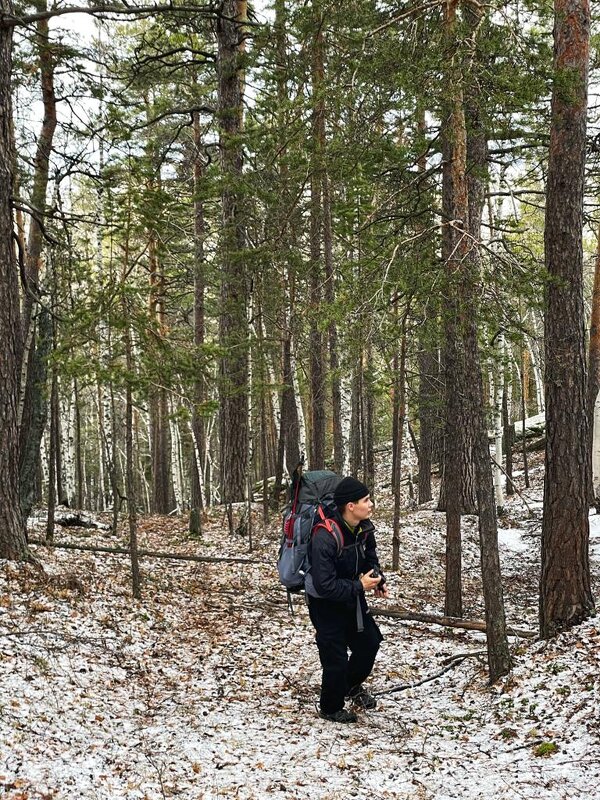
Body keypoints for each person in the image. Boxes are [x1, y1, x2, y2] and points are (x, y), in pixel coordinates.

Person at [305, 476, 388, 723]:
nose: (371, 504)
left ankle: (349, 686)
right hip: (325, 604)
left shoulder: (364, 527)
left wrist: (377, 579)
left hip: (353, 598)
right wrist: (359, 585)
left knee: (369, 643)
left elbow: (370, 558)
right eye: (366, 500)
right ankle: (330, 707)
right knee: (336, 658)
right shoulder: (325, 536)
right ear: (350, 506)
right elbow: (325, 585)